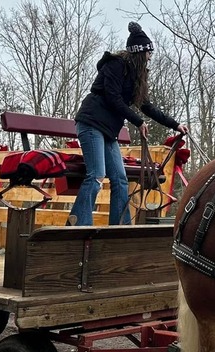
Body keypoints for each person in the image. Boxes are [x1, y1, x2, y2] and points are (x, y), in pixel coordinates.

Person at [68, 21, 188, 226]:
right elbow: (112, 98)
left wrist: (175, 125)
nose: (151, 57)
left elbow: (146, 106)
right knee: (96, 175)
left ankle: (120, 227)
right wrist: (138, 122)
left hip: (108, 131)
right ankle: (78, 223)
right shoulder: (115, 65)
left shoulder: (137, 77)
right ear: (140, 53)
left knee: (120, 179)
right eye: (149, 53)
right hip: (91, 123)